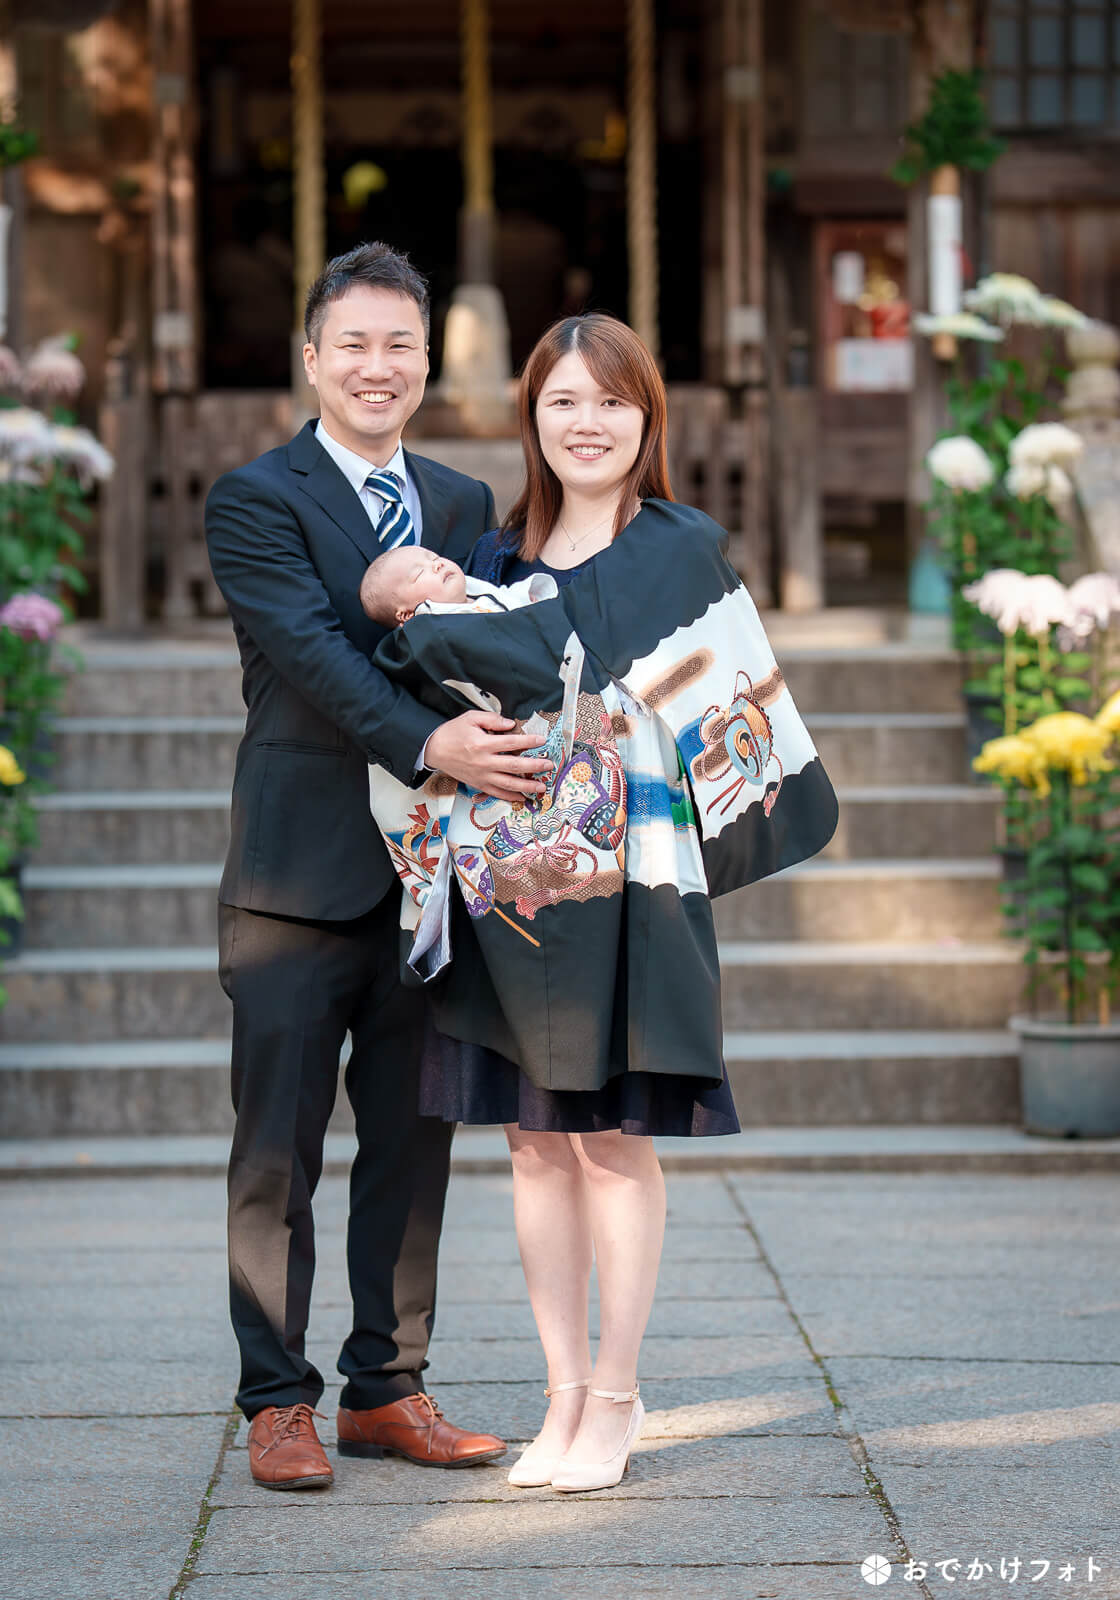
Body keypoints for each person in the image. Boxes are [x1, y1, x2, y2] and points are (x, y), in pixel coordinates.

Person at [366, 312, 837, 1494]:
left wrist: (607, 718)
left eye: (610, 403)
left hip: (634, 893)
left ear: (645, 419)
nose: (586, 424)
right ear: (531, 416)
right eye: (562, 402)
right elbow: (434, 713)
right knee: (533, 1146)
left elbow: (739, 729)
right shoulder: (493, 558)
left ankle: (618, 1394)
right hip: (515, 892)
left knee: (614, 1146)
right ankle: (560, 1394)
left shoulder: (681, 550)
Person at [202, 242, 555, 1491]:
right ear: (310, 359)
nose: (376, 365)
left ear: (425, 360)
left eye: (398, 344)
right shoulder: (254, 499)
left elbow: (515, 640)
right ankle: (276, 1400)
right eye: (350, 343)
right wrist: (433, 739)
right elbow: (309, 654)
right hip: (297, 878)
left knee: (414, 1143)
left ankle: (387, 1387)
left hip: (435, 880)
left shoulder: (462, 501)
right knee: (277, 1151)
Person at [358, 544, 557, 625]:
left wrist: (526, 597)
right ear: (407, 615)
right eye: (420, 572)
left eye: (434, 558)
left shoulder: (474, 591)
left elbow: (502, 596)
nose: (437, 565)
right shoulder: (434, 628)